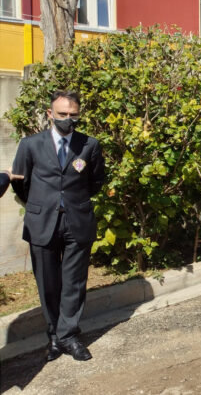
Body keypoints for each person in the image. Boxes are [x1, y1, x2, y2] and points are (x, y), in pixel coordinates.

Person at [11, 90, 105, 361]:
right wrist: (44, 206)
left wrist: (72, 202)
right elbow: (21, 184)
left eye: (73, 115)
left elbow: (95, 182)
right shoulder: (30, 145)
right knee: (48, 283)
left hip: (78, 221)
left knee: (74, 283)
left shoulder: (89, 145)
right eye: (62, 114)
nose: (68, 119)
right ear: (50, 114)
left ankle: (69, 336)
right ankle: (54, 337)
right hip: (42, 223)